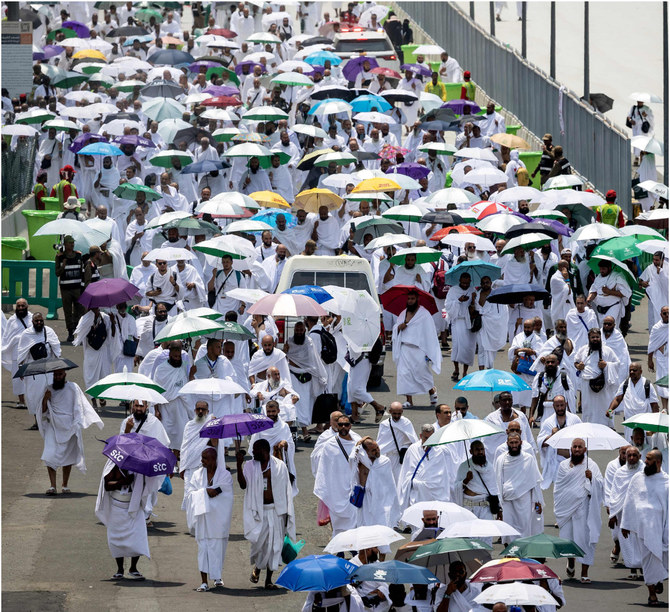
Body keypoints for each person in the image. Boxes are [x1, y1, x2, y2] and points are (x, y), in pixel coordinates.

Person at [237, 439, 296, 589]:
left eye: (255, 451)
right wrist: (238, 464)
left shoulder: (279, 466)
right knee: (259, 545)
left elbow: (286, 490)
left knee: (275, 546)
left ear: (264, 451)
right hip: (259, 511)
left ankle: (268, 580)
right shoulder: (250, 465)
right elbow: (243, 485)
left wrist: (286, 513)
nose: (253, 453)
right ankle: (257, 567)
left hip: (276, 511)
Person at [95, 456, 163, 581]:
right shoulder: (114, 465)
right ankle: (120, 570)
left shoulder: (140, 466)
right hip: (117, 507)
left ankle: (133, 568)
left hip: (135, 506)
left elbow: (148, 482)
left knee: (137, 537)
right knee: (116, 539)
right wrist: (122, 482)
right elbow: (107, 485)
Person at [37, 368, 103, 496]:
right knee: (49, 455)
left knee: (68, 456)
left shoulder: (73, 387)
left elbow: (79, 405)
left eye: (60, 374)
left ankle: (65, 485)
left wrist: (76, 422)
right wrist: (45, 398)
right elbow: (43, 411)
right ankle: (52, 486)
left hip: (69, 425)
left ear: (65, 375)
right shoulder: (48, 389)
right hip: (53, 425)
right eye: (55, 375)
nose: (57, 377)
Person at [621, 450, 668, 606]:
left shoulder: (666, 482)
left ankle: (658, 579)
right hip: (643, 528)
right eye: (646, 459)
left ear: (658, 462)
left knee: (661, 559)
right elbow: (629, 500)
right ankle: (652, 594)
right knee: (647, 561)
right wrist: (625, 524)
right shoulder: (637, 478)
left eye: (649, 459)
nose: (645, 462)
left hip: (660, 529)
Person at [554, 438, 604, 583]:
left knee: (585, 540)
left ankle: (584, 572)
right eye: (574, 447)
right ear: (571, 448)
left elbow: (601, 484)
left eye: (579, 447)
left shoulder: (591, 465)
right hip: (566, 509)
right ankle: (570, 561)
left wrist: (592, 478)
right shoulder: (563, 465)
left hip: (584, 509)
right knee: (568, 539)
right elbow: (558, 488)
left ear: (585, 449)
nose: (576, 449)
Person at [184, 447, 234, 592]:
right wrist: (205, 491)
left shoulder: (224, 475)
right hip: (203, 519)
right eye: (202, 458)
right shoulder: (197, 475)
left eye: (205, 458)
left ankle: (217, 577)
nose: (202, 461)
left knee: (218, 549)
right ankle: (204, 582)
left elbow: (226, 494)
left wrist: (212, 492)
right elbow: (190, 494)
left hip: (219, 520)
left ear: (213, 459)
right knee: (203, 550)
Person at [313, 415, 361, 535]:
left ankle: (354, 549)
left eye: (346, 424)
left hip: (353, 488)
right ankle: (339, 552)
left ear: (350, 425)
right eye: (340, 425)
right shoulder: (329, 445)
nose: (343, 427)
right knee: (337, 524)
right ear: (336, 426)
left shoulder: (357, 443)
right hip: (336, 490)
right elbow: (324, 469)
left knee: (354, 523)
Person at [391, 291, 441, 407]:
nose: (410, 301)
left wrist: (429, 351)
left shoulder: (424, 314)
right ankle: (409, 400)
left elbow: (430, 333)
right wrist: (399, 327)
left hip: (419, 349)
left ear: (417, 299)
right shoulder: (403, 313)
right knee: (404, 374)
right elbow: (396, 328)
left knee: (422, 374)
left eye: (412, 299)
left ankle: (432, 391)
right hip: (404, 348)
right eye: (408, 299)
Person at [494, 433, 544, 543]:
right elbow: (497, 482)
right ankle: (510, 555)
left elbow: (534, 482)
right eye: (511, 443)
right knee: (508, 529)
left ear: (521, 443)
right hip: (507, 501)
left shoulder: (529, 459)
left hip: (524, 501)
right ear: (507, 443)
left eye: (516, 442)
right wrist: (498, 505)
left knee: (524, 528)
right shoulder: (501, 460)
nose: (514, 445)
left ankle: (523, 556)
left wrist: (537, 502)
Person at [284, 320, 327, 441]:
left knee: (306, 404)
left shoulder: (309, 342)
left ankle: (303, 429)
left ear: (304, 331)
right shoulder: (289, 341)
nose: (298, 332)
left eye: (301, 330)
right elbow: (285, 358)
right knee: (296, 403)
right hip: (293, 375)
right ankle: (303, 431)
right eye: (296, 330)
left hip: (307, 376)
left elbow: (312, 359)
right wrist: (285, 350)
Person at [17, 312, 62, 428]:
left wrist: (58, 366)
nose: (39, 323)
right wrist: (21, 368)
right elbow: (22, 352)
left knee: (49, 395)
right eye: (36, 321)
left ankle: (48, 420)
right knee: (34, 396)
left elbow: (56, 349)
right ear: (32, 322)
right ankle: (37, 422)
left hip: (48, 369)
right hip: (33, 371)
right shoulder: (26, 334)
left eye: (41, 321)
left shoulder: (49, 331)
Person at [607, 446, 644, 580]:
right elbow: (615, 494)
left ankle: (643, 569)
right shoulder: (620, 473)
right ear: (625, 457)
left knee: (641, 541)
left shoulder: (645, 471)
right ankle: (633, 570)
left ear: (640, 457)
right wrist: (612, 514)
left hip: (640, 512)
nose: (632, 458)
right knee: (628, 541)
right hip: (624, 513)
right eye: (629, 456)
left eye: (635, 455)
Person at [397, 424, 453, 510]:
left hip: (436, 496)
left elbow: (444, 476)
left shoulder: (441, 451)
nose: (428, 441)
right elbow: (405, 474)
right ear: (420, 436)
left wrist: (431, 485)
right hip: (417, 495)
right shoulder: (412, 449)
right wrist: (414, 483)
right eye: (426, 438)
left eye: (431, 438)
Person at [349, 437, 401, 529]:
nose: (377, 451)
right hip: (365, 499)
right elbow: (352, 458)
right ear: (366, 452)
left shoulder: (385, 461)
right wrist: (358, 444)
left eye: (377, 448)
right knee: (365, 527)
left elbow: (390, 484)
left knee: (382, 525)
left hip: (381, 501)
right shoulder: (361, 462)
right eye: (373, 450)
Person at [574, 328, 620, 426]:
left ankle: (607, 426)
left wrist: (606, 365)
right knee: (588, 407)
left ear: (600, 338)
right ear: (589, 338)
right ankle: (588, 426)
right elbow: (576, 361)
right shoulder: (583, 350)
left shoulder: (607, 350)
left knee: (604, 407)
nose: (595, 339)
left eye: (597, 337)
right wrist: (579, 366)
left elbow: (617, 364)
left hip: (603, 385)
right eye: (593, 337)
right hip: (587, 385)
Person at [250, 400, 297, 495]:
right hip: (263, 465)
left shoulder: (284, 427)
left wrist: (285, 443)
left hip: (279, 464)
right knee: (264, 492)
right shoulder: (260, 427)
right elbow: (253, 447)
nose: (271, 414)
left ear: (278, 411)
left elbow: (291, 445)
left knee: (279, 492)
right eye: (269, 412)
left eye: (273, 411)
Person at [153, 341, 191, 454]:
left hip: (181, 407)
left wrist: (192, 374)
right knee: (166, 436)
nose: (177, 358)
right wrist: (156, 410)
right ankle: (170, 462)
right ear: (170, 353)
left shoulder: (184, 366)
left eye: (179, 356)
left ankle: (177, 459)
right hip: (165, 408)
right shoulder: (161, 369)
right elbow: (156, 389)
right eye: (175, 356)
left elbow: (187, 386)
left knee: (181, 436)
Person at [537, 396, 582, 489]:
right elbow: (540, 442)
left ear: (566, 404)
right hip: (556, 462)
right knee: (559, 490)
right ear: (553, 406)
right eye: (557, 406)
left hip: (573, 460)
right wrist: (551, 436)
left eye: (562, 405)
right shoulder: (548, 422)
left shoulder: (575, 419)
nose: (560, 408)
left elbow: (583, 439)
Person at [607, 362, 660, 441]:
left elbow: (654, 404)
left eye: (634, 370)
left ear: (640, 372)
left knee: (644, 445)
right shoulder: (625, 384)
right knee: (630, 446)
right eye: (630, 370)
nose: (632, 372)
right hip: (629, 421)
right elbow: (617, 399)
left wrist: (656, 421)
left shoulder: (647, 384)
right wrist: (610, 409)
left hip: (644, 422)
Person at [73, 306, 113, 409]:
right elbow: (80, 334)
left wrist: (113, 323)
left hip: (103, 350)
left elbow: (111, 334)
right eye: (93, 309)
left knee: (103, 375)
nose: (95, 311)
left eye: (97, 309)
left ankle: (102, 396)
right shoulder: (85, 319)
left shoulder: (106, 318)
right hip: (91, 351)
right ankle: (93, 399)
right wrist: (90, 326)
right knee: (90, 375)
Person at [451, 440, 500, 521]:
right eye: (477, 450)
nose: (480, 452)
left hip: (486, 509)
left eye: (482, 449)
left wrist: (499, 509)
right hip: (470, 508)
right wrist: (466, 480)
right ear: (471, 451)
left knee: (486, 533)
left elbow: (494, 489)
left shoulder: (490, 468)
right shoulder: (464, 467)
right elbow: (456, 487)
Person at [179, 401, 215, 500]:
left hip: (204, 467)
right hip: (189, 467)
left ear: (207, 411)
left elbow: (215, 444)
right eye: (198, 409)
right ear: (194, 410)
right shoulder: (189, 426)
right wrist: (182, 467)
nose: (200, 411)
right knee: (189, 496)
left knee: (202, 497)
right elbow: (184, 446)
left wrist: (213, 427)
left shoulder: (211, 424)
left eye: (203, 409)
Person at [445, 272, 477, 381]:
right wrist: (458, 301)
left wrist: (473, 299)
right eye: (463, 283)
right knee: (457, 347)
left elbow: (475, 306)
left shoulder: (473, 290)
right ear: (459, 281)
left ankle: (465, 371)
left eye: (467, 283)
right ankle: (456, 369)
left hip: (468, 322)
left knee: (468, 347)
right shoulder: (453, 290)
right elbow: (447, 305)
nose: (465, 285)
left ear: (470, 282)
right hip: (457, 321)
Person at [1, 299, 33, 408]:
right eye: (18, 306)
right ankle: (21, 401)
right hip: (16, 352)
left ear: (27, 306)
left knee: (31, 377)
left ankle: (32, 399)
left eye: (22, 306)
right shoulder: (11, 320)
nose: (20, 308)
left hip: (30, 352)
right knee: (17, 377)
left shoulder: (33, 318)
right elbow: (7, 335)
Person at [376, 402, 418, 480]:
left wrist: (405, 448)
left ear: (402, 412)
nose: (397, 416)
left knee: (400, 481)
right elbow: (381, 442)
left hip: (400, 458)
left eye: (399, 413)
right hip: (387, 457)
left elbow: (413, 440)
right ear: (390, 411)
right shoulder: (384, 424)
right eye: (394, 413)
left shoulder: (406, 423)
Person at [529, 353, 575, 425]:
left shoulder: (564, 377)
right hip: (546, 412)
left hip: (561, 411)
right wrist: (531, 415)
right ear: (544, 363)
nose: (550, 364)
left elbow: (570, 398)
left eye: (552, 362)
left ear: (557, 363)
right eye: (548, 362)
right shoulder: (540, 377)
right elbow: (535, 397)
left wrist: (572, 415)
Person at [54, 235, 85, 342]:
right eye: (69, 243)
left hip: (77, 288)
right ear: (65, 244)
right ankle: (70, 331)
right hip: (66, 289)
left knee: (79, 310)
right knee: (67, 311)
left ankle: (76, 326)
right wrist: (63, 266)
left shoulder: (78, 255)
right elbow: (57, 273)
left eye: (73, 243)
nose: (72, 245)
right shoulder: (60, 257)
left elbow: (82, 271)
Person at [586, 259, 632, 326]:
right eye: (600, 269)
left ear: (609, 268)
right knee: (602, 328)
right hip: (600, 308)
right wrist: (589, 299)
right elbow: (594, 291)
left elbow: (624, 293)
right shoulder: (598, 277)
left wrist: (609, 292)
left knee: (611, 326)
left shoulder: (617, 277)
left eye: (604, 269)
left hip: (613, 306)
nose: (601, 271)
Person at [639, 252, 668, 330]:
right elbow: (640, 281)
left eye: (657, 260)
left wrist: (661, 274)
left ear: (662, 260)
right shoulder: (650, 268)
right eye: (653, 259)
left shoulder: (668, 268)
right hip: (653, 299)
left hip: (666, 299)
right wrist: (643, 283)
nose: (654, 262)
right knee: (653, 320)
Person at [648, 306, 669, 410]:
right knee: (662, 382)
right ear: (661, 315)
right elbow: (652, 344)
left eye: (668, 313)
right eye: (664, 313)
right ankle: (665, 408)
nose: (667, 315)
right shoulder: (657, 327)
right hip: (662, 359)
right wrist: (650, 360)